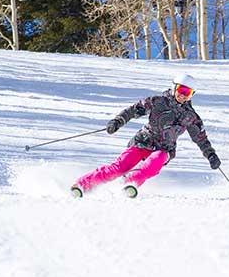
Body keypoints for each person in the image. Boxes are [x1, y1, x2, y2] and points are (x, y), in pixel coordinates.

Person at [71, 74, 221, 198]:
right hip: (143, 141)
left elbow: (200, 138)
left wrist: (211, 155)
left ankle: (129, 183)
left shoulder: (190, 116)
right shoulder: (158, 102)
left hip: (164, 148)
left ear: (191, 95)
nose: (182, 95)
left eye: (187, 92)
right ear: (175, 87)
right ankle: (83, 184)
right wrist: (118, 121)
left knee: (154, 163)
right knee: (120, 167)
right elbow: (134, 110)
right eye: (181, 89)